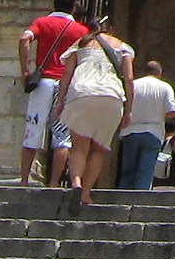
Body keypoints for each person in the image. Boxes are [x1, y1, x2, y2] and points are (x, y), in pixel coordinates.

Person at [49, 17, 135, 206]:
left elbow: (66, 75)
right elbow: (129, 79)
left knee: (79, 147)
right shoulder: (123, 47)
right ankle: (86, 194)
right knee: (99, 149)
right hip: (111, 97)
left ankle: (76, 183)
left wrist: (60, 101)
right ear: (110, 30)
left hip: (81, 94)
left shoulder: (80, 44)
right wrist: (128, 110)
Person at [16, 0, 87, 187]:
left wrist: (25, 71)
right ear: (73, 7)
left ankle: (24, 181)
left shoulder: (41, 22)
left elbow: (25, 39)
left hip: (43, 82)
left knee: (32, 131)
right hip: (65, 85)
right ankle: (54, 183)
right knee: (62, 137)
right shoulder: (80, 31)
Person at [119, 59, 175, 191]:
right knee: (145, 172)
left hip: (131, 130)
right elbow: (173, 110)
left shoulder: (133, 85)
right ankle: (140, 201)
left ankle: (122, 197)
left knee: (127, 171)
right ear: (159, 73)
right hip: (153, 131)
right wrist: (160, 114)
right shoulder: (165, 87)